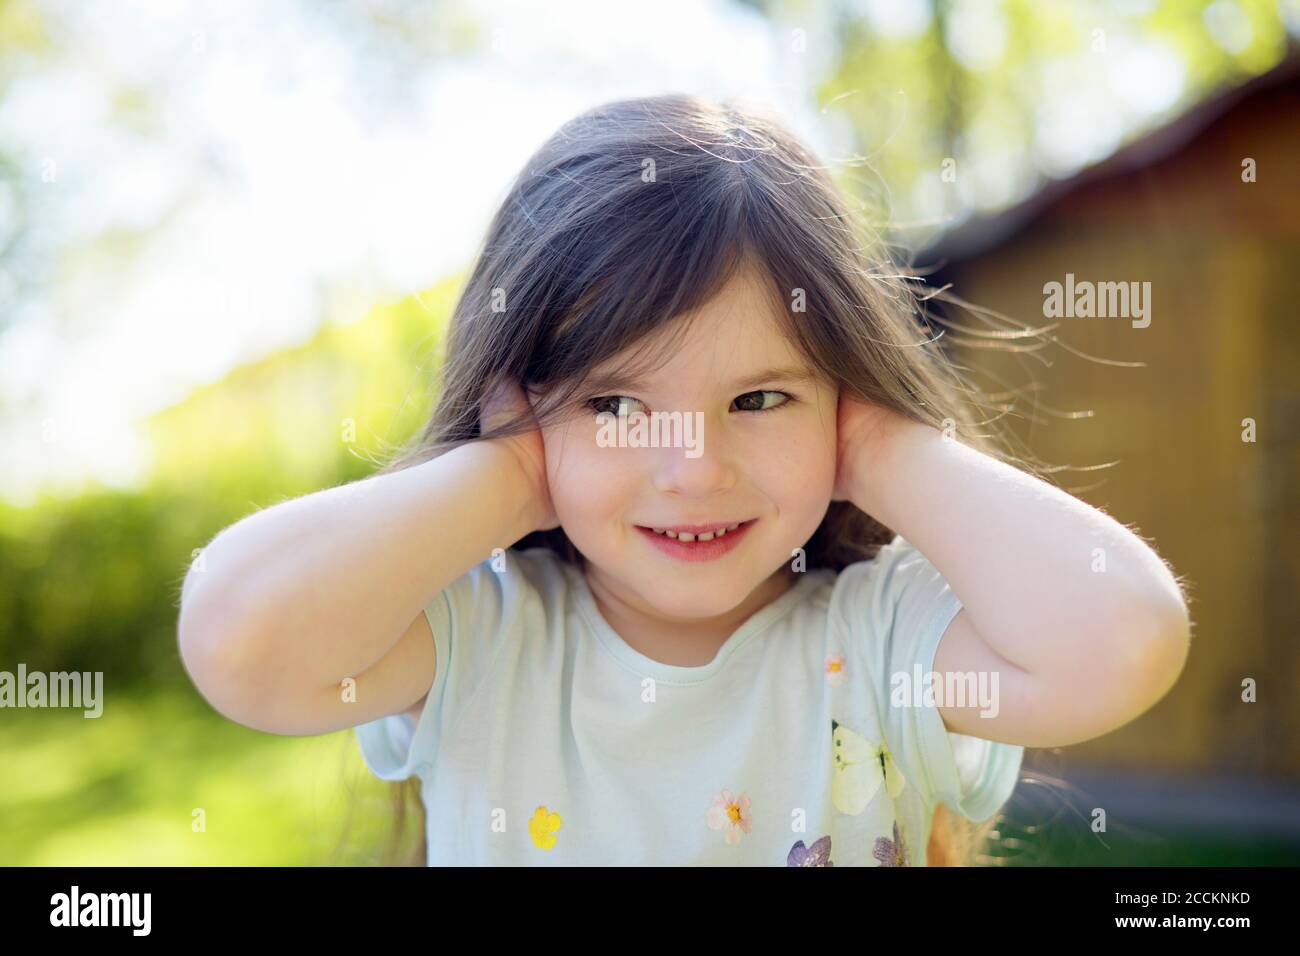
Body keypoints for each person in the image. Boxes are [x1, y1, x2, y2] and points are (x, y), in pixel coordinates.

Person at [177, 94, 1191, 866]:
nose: (695, 466)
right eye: (615, 406)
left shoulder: (877, 643)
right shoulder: (478, 644)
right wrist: (516, 470)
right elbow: (240, 640)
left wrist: (878, 445)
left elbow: (1123, 635)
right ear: (517, 404)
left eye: (760, 400)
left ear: (841, 402)